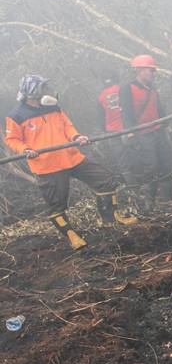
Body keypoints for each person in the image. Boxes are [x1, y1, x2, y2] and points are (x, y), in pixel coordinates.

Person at [4, 75, 138, 250]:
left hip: (71, 157)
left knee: (105, 180)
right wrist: (25, 150)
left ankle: (110, 220)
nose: (47, 91)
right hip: (47, 165)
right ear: (33, 91)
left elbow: (67, 126)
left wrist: (76, 136)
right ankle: (72, 236)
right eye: (43, 88)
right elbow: (12, 139)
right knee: (56, 204)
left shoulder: (53, 107)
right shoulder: (16, 115)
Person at [119, 54, 172, 211]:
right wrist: (130, 132)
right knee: (150, 167)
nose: (152, 73)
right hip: (143, 134)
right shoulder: (127, 88)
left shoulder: (152, 87)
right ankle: (149, 204)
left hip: (158, 131)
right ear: (139, 71)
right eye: (149, 70)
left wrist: (167, 125)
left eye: (153, 71)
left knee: (166, 163)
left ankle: (168, 202)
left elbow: (159, 107)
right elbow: (126, 112)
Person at [96, 71, 125, 180]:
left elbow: (100, 116)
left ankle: (130, 183)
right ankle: (141, 181)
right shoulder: (123, 89)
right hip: (128, 128)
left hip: (111, 131)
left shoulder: (101, 96)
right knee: (133, 154)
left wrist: (104, 130)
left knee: (120, 157)